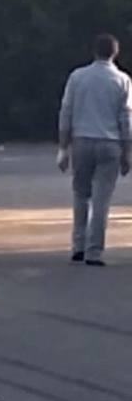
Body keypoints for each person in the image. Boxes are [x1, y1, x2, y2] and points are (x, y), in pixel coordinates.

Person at [57, 33, 132, 266]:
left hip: (82, 140)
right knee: (101, 199)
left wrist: (63, 147)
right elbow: (126, 118)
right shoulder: (122, 80)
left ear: (94, 51)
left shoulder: (77, 77)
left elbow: (66, 111)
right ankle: (94, 251)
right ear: (115, 53)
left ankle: (78, 245)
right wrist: (127, 151)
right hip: (110, 143)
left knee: (81, 194)